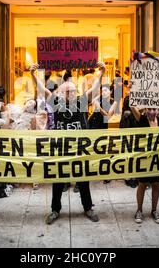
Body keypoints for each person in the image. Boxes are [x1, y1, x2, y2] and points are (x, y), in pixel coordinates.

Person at [30, 61, 106, 225]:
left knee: (83, 181)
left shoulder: (81, 102)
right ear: (60, 93)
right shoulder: (55, 103)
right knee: (58, 182)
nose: (70, 93)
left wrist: (103, 72)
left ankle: (88, 208)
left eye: (72, 91)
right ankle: (55, 210)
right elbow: (42, 90)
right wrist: (32, 75)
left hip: (79, 150)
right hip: (61, 150)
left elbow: (94, 90)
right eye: (66, 91)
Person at [88, 84, 118, 184]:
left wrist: (99, 107)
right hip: (92, 124)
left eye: (106, 90)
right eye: (102, 90)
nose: (103, 92)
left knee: (103, 150)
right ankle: (91, 171)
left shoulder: (113, 102)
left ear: (111, 91)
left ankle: (106, 174)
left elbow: (108, 117)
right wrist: (95, 103)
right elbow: (92, 105)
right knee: (91, 149)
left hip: (102, 126)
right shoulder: (98, 98)